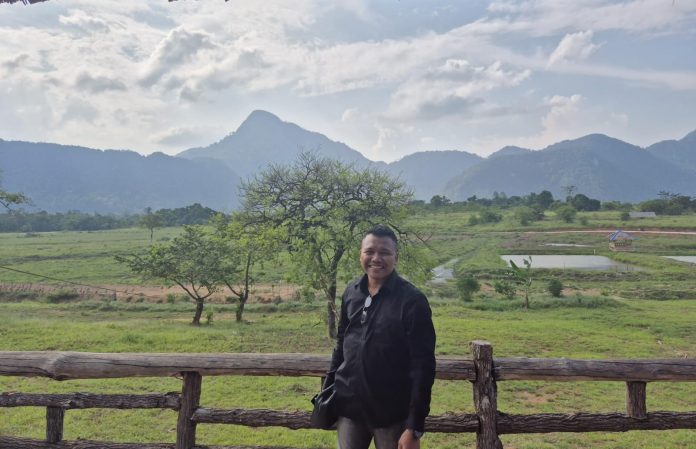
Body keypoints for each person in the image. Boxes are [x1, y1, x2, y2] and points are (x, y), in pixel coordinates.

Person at [325, 225, 436, 449]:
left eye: (385, 252)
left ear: (396, 257)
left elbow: (423, 365)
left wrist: (414, 426)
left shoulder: (412, 301)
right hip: (349, 408)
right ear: (360, 254)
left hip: (392, 414)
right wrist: (328, 392)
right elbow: (342, 344)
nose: (376, 258)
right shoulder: (352, 292)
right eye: (370, 251)